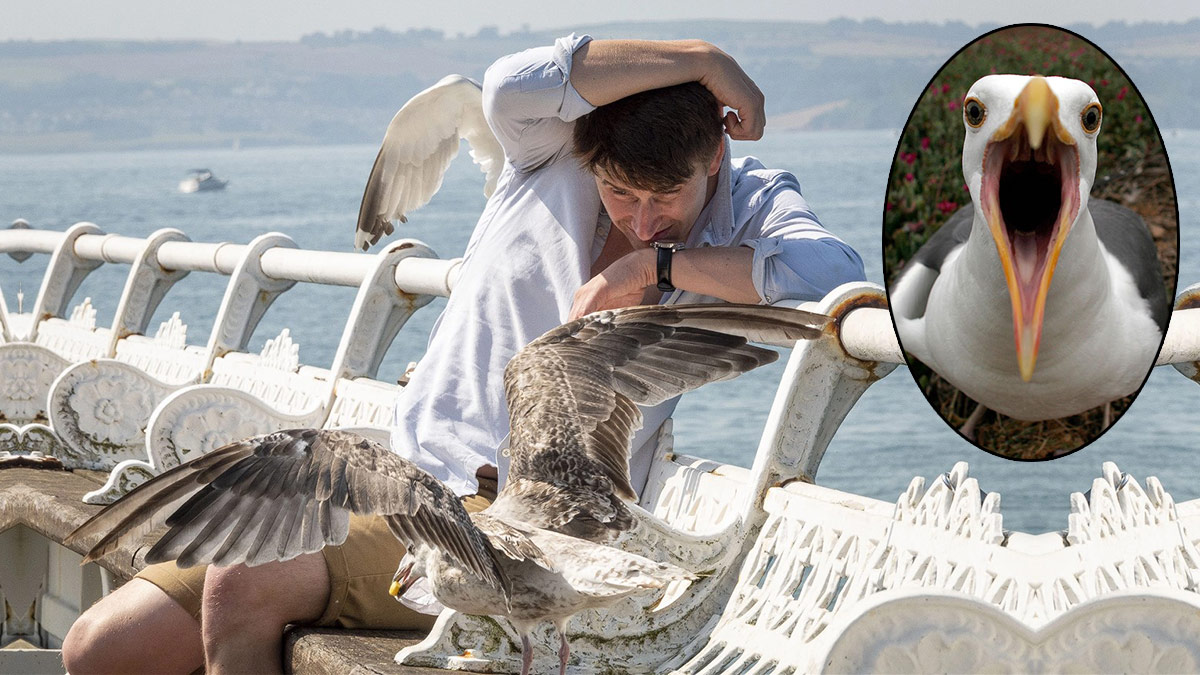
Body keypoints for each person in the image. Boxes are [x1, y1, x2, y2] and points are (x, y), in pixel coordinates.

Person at [62, 35, 864, 674]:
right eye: (622, 193)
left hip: (522, 531)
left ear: (715, 158)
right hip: (408, 480)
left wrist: (653, 267)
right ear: (591, 154)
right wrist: (707, 60)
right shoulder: (545, 153)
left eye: (668, 199)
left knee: (240, 586)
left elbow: (833, 274)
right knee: (99, 650)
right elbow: (513, 81)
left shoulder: (749, 205)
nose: (644, 217)